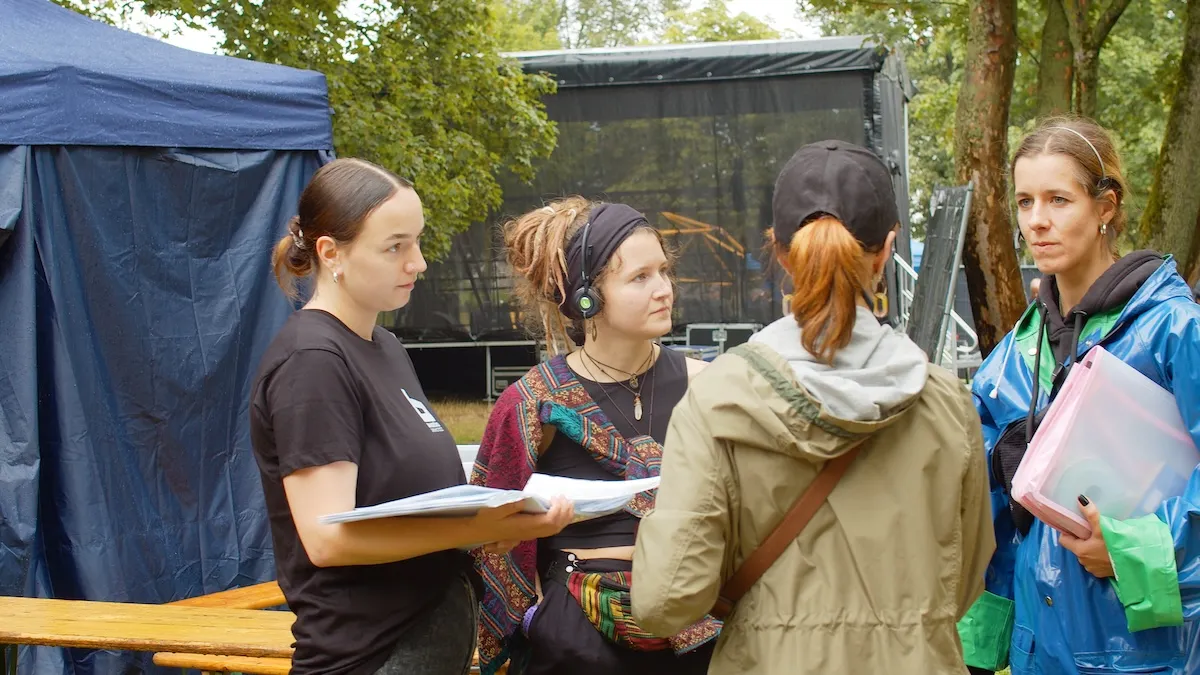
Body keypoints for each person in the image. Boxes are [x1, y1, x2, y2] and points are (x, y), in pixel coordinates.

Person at [629, 139, 994, 674]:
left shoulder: (718, 399)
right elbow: (963, 581)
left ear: (780, 252)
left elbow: (665, 602)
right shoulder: (947, 402)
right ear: (887, 249)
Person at [249, 158, 573, 675]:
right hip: (367, 656)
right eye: (395, 247)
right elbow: (327, 539)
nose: (418, 263)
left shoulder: (385, 347)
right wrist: (474, 528)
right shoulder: (313, 360)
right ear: (331, 253)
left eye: (417, 242)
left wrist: (489, 524)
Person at [961, 116, 1200, 675]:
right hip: (1038, 652)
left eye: (1059, 200)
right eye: (1025, 201)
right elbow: (991, 517)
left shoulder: (1173, 331)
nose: (1037, 220)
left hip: (1144, 652)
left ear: (1105, 207)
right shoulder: (1010, 360)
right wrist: (979, 647)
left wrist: (1132, 549)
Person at [469, 197, 720, 675]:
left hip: (695, 628)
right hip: (577, 641)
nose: (663, 289)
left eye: (664, 271)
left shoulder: (708, 386)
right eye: (640, 277)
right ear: (587, 296)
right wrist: (541, 619)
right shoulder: (535, 402)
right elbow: (488, 535)